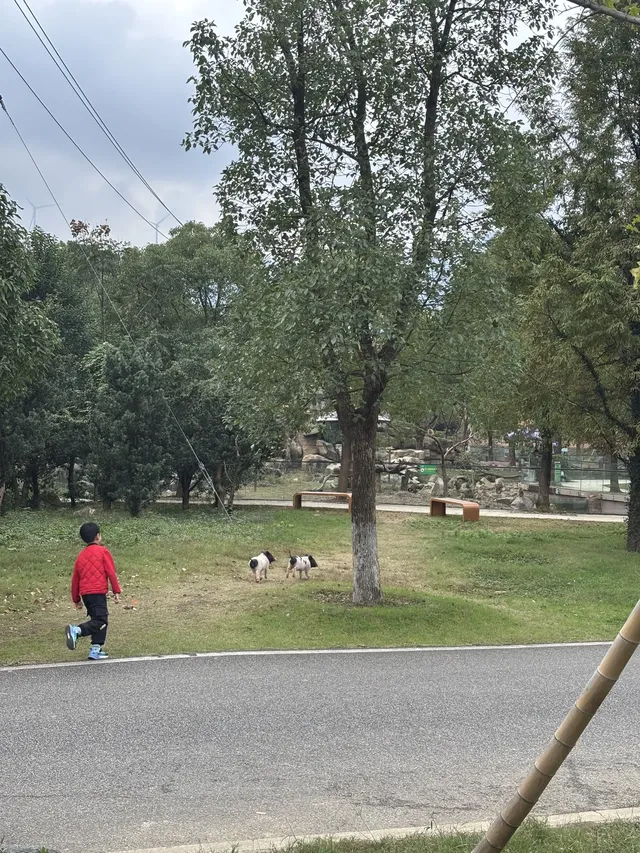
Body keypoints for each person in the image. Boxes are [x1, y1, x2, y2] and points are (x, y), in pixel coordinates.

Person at [65, 522, 122, 661]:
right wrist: (116, 591)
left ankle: (95, 649)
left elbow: (75, 579)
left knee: (99, 619)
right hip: (97, 592)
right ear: (98, 536)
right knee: (101, 620)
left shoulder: (81, 556)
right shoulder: (103, 551)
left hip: (86, 594)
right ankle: (77, 630)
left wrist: (76, 599)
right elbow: (111, 572)